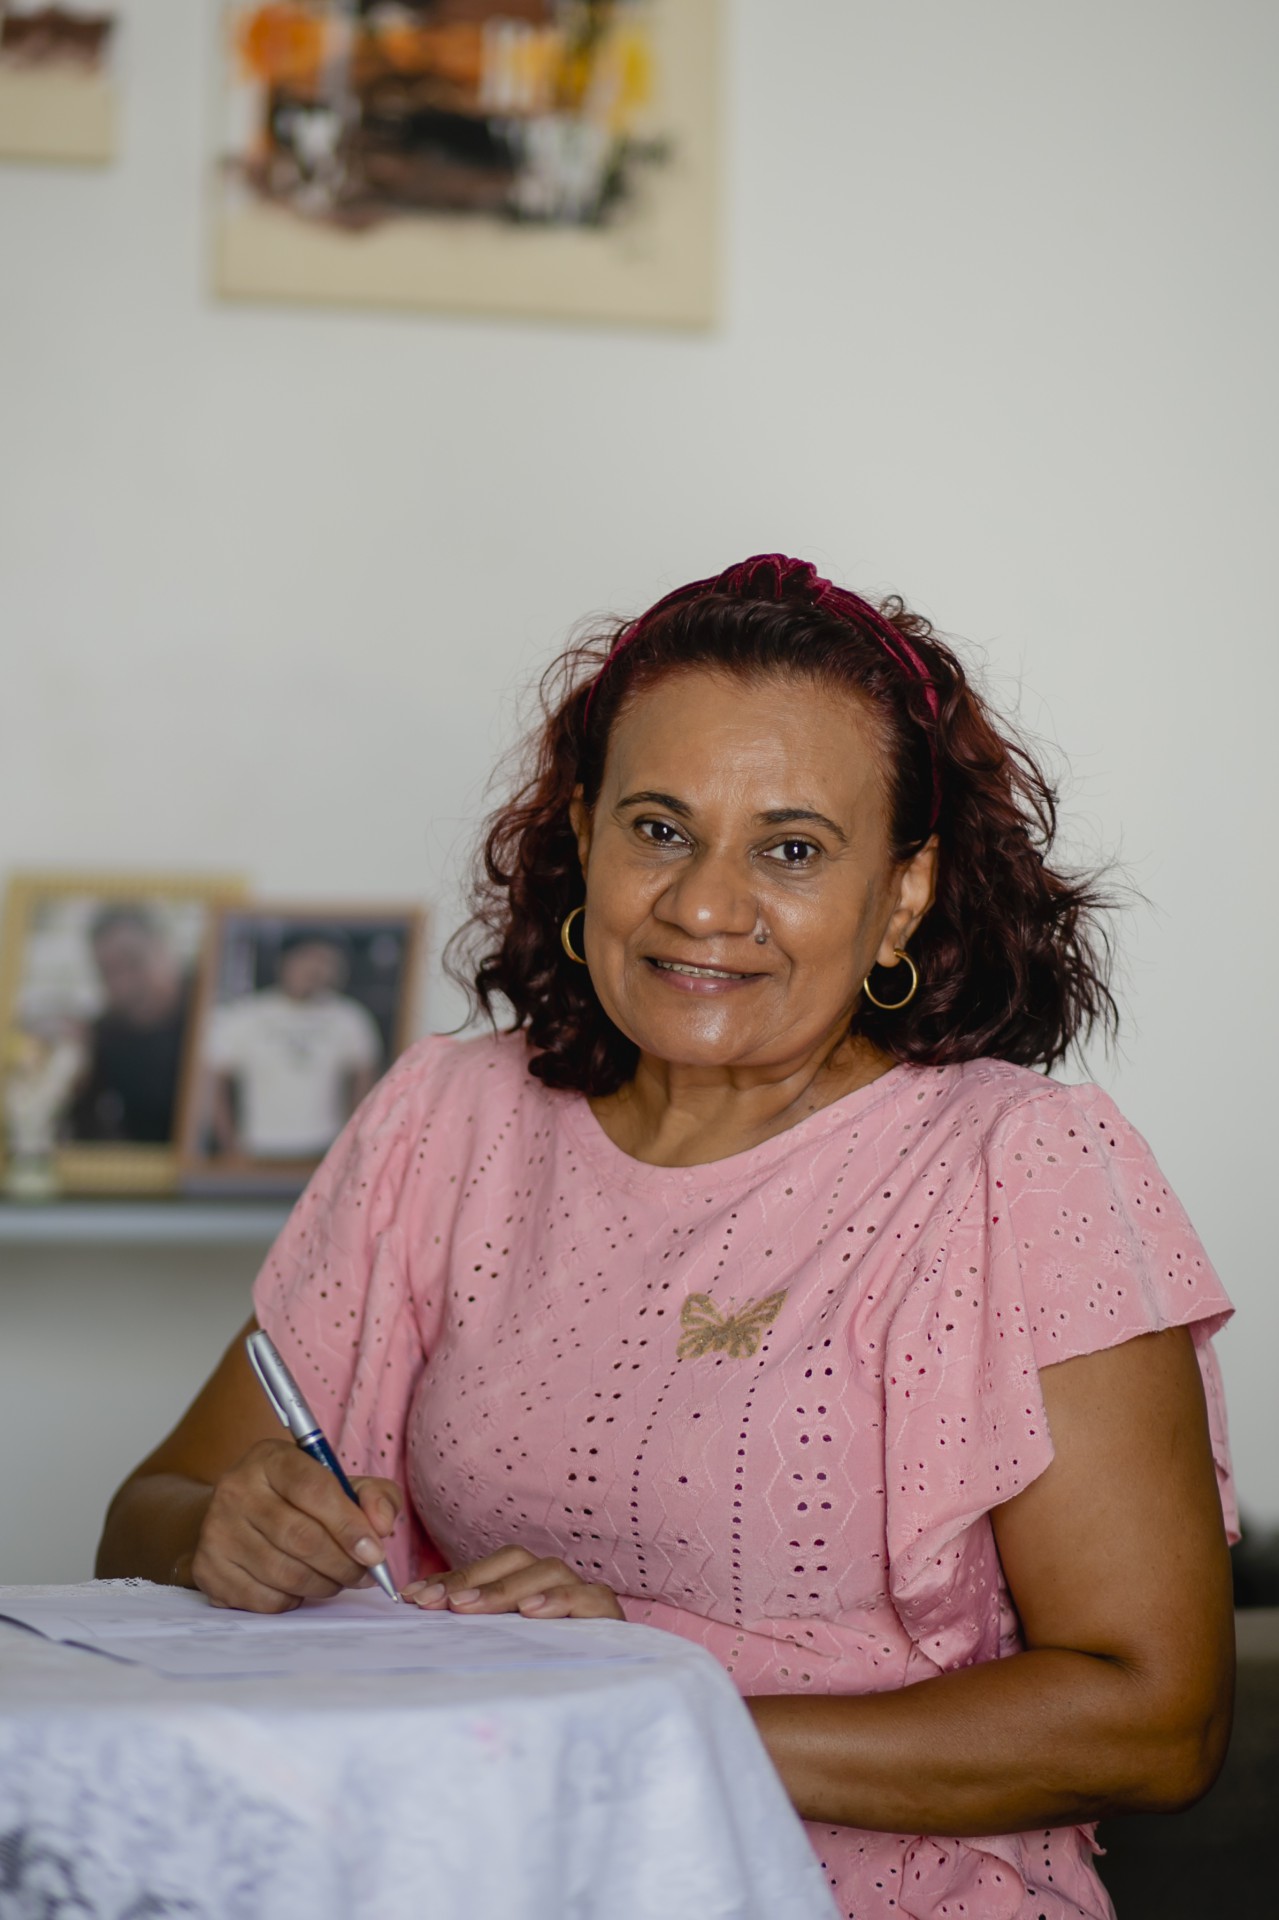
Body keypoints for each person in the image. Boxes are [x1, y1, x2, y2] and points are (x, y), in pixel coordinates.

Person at [98, 556, 1235, 1920]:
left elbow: (1152, 1719)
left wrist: (640, 1712)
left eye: (791, 849)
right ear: (585, 833)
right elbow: (146, 1514)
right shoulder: (443, 1120)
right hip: (480, 1877)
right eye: (658, 828)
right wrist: (221, 1534)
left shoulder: (1018, 1168)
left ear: (902, 891)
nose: (702, 905)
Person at [205, 928, 382, 1160]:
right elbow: (214, 1088)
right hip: (257, 1148)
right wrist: (229, 1147)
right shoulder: (244, 1016)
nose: (316, 969)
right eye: (307, 958)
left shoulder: (349, 1018)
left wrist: (353, 1146)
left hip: (325, 1148)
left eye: (327, 961)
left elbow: (365, 1088)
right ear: (284, 962)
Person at [68, 905, 192, 1143]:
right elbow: (84, 1132)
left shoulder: (214, 1005)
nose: (123, 986)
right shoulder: (103, 1037)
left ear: (164, 948)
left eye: (134, 962)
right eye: (108, 973)